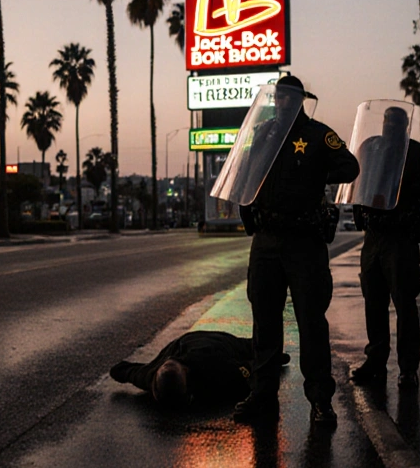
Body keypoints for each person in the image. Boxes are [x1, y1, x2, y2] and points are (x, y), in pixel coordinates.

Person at [233, 76, 359, 426]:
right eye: (278, 97)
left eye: (289, 97)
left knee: (311, 322)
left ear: (300, 99)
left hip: (304, 241)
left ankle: (320, 400)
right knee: (265, 323)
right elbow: (246, 173)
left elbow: (350, 167)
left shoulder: (319, 134)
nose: (283, 102)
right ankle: (262, 397)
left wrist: (319, 168)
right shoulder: (264, 133)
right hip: (267, 240)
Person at [348, 105, 420, 390]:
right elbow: (356, 179)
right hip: (373, 237)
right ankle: (376, 360)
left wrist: (400, 197)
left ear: (404, 124)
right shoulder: (370, 147)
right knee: (373, 302)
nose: (390, 126)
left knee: (404, 305)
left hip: (400, 237)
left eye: (396, 122)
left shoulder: (416, 153)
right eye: (387, 121)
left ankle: (408, 368)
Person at [109, 330, 289, 407]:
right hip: (180, 344)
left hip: (219, 343)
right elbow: (125, 371)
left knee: (254, 350)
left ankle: (275, 355)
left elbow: (247, 370)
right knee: (260, 353)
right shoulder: (151, 375)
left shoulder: (217, 371)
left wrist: (273, 361)